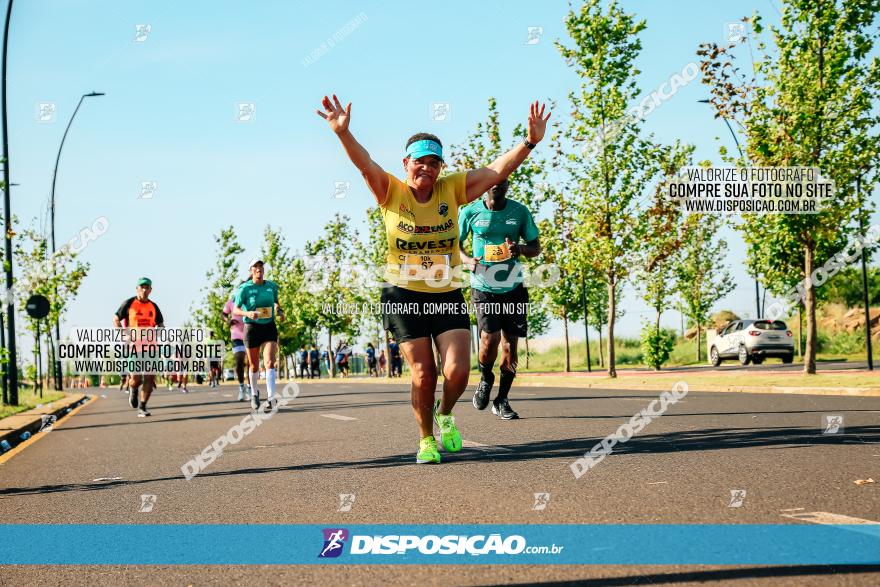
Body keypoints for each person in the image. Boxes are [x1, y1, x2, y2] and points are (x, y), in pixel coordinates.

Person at [317, 94, 550, 463]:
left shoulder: (451, 189)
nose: (426, 169)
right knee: (424, 373)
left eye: (433, 163)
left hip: (445, 292)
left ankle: (445, 413)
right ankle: (426, 438)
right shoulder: (390, 191)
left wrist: (530, 142)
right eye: (419, 162)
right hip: (403, 295)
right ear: (406, 163)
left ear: (441, 167)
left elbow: (496, 171)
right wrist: (343, 133)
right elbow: (365, 165)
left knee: (458, 372)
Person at [459, 178, 541, 420]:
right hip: (483, 285)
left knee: (510, 346)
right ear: (485, 185)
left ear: (507, 185)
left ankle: (502, 399)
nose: (496, 185)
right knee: (489, 340)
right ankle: (485, 378)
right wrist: (467, 260)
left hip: (513, 286)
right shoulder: (470, 211)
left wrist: (520, 249)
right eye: (492, 181)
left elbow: (535, 247)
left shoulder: (520, 211)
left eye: (501, 181)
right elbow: (455, 245)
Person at [232, 259, 285, 411]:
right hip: (252, 328)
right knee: (254, 365)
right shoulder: (245, 289)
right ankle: (254, 394)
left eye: (261, 266)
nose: (259, 269)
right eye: (255, 267)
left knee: (269, 362)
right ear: (251, 271)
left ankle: (271, 397)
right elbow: (235, 309)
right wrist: (247, 313)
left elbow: (275, 303)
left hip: (269, 326)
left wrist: (280, 312)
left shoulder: (271, 286)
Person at [113, 277, 165, 418]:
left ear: (150, 290)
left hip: (151, 347)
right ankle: (133, 388)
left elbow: (160, 324)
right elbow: (116, 319)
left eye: (147, 287)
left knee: (149, 378)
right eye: (141, 287)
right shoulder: (129, 304)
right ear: (137, 288)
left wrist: (159, 331)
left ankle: (142, 406)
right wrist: (124, 335)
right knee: (136, 379)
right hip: (134, 347)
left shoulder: (154, 306)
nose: (144, 289)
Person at [223, 291, 250, 401]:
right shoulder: (231, 302)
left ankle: (250, 388)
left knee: (251, 363)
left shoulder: (250, 302)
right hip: (236, 336)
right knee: (239, 362)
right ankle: (241, 387)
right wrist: (228, 320)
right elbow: (223, 314)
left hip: (251, 334)